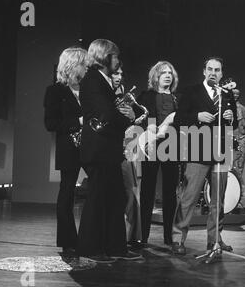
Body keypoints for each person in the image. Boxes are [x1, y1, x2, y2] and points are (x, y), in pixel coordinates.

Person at [77, 39, 141, 262]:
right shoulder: (93, 80)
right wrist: (128, 120)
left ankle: (115, 248)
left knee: (114, 199)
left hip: (107, 149)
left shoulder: (102, 81)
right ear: (105, 57)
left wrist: (124, 116)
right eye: (115, 56)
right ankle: (90, 249)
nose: (118, 60)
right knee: (98, 199)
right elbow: (106, 113)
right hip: (98, 149)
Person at [171, 57, 237, 255]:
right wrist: (196, 117)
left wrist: (231, 117)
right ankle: (177, 238)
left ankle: (215, 239)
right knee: (189, 197)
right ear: (203, 71)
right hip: (198, 151)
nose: (213, 73)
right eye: (210, 69)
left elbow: (233, 120)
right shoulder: (192, 92)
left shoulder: (226, 94)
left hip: (220, 151)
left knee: (218, 200)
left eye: (217, 70)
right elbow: (179, 119)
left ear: (221, 73)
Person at [43, 47, 88, 256]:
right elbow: (50, 124)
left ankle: (91, 238)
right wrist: (77, 122)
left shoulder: (89, 90)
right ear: (72, 65)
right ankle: (68, 241)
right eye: (84, 64)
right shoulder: (55, 91)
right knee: (67, 192)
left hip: (92, 146)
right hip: (69, 146)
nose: (87, 68)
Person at [137, 61, 180, 246]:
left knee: (170, 192)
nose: (167, 75)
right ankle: (143, 236)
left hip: (172, 144)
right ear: (156, 76)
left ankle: (169, 237)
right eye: (163, 73)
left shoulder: (178, 98)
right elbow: (145, 118)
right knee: (148, 190)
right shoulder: (147, 95)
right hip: (152, 144)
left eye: (170, 72)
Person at [111, 62, 144, 247]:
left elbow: (134, 123)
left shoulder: (124, 95)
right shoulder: (102, 94)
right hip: (107, 150)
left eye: (120, 74)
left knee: (131, 192)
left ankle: (130, 236)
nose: (118, 77)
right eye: (115, 73)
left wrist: (131, 116)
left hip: (125, 149)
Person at [231, 88, 245, 181]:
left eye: (237, 94)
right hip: (229, 139)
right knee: (228, 165)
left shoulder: (244, 109)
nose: (235, 96)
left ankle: (239, 190)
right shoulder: (226, 108)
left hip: (241, 139)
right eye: (233, 94)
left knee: (240, 165)